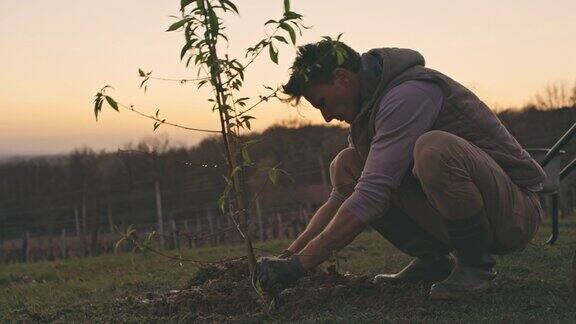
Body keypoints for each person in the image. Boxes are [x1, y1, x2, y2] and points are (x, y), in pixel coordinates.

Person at [255, 40, 545, 300]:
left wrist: (302, 266)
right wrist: (289, 257)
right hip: (472, 210)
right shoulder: (367, 112)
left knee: (434, 150)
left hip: (514, 212)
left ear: (342, 78)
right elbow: (342, 198)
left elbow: (371, 195)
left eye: (322, 103)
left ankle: (475, 266)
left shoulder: (408, 94)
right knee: (347, 164)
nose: (327, 116)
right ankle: (433, 260)